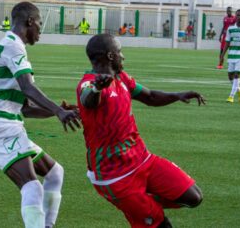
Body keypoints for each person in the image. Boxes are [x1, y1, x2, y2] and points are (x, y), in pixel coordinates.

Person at [76, 33, 205, 228]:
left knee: (193, 196)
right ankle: (138, 205)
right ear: (110, 56)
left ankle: (143, 201)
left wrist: (176, 95)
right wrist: (96, 89)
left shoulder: (122, 78)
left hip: (142, 159)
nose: (123, 57)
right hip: (114, 175)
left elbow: (150, 96)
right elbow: (87, 99)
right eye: (120, 52)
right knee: (161, 225)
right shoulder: (88, 83)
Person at [0, 2, 81, 228]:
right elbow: (28, 88)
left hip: (10, 124)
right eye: (40, 23)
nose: (41, 29)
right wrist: (58, 110)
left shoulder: (14, 47)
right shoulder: (12, 45)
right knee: (32, 187)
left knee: (54, 173)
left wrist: (61, 112)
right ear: (30, 22)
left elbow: (26, 108)